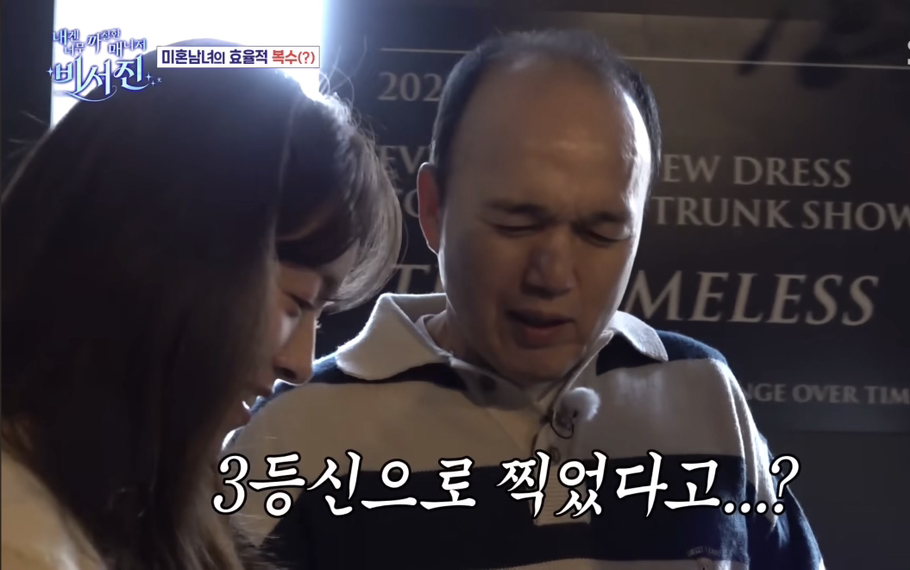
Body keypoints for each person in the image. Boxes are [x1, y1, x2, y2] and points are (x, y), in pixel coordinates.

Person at [228, 29, 825, 569]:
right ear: (433, 208)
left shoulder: (705, 392)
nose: (553, 275)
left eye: (601, 232)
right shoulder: (292, 438)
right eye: (516, 223)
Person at [0, 42, 403, 570]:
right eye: (298, 303)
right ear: (161, 260)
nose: (301, 364)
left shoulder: (108, 506)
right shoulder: (26, 545)